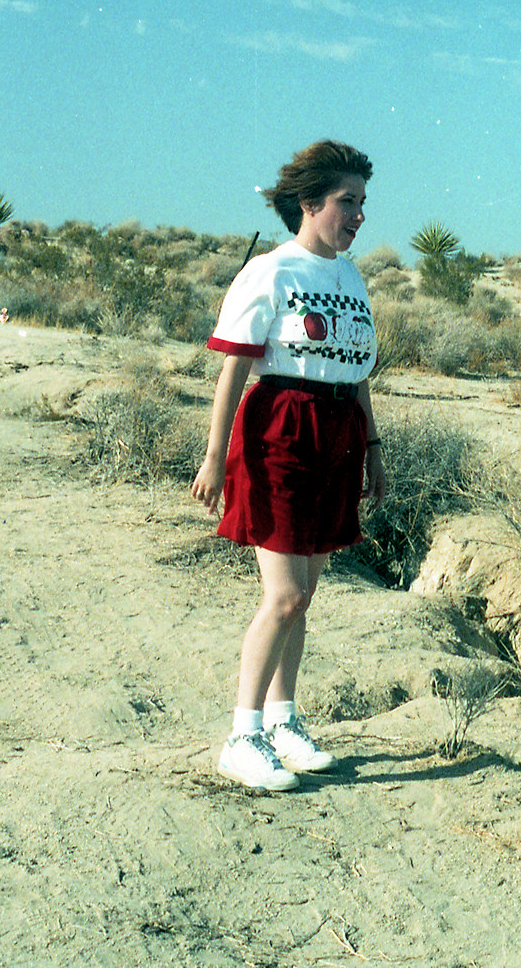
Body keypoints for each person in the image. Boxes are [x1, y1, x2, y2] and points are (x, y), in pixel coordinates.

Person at [191, 140, 387, 792]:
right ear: (309, 203)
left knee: (305, 598)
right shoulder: (271, 272)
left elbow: (358, 373)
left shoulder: (351, 277)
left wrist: (373, 450)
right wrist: (215, 456)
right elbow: (234, 368)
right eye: (346, 201)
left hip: (339, 433)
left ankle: (283, 721)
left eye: (362, 201)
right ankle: (241, 735)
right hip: (280, 429)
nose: (358, 214)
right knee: (284, 594)